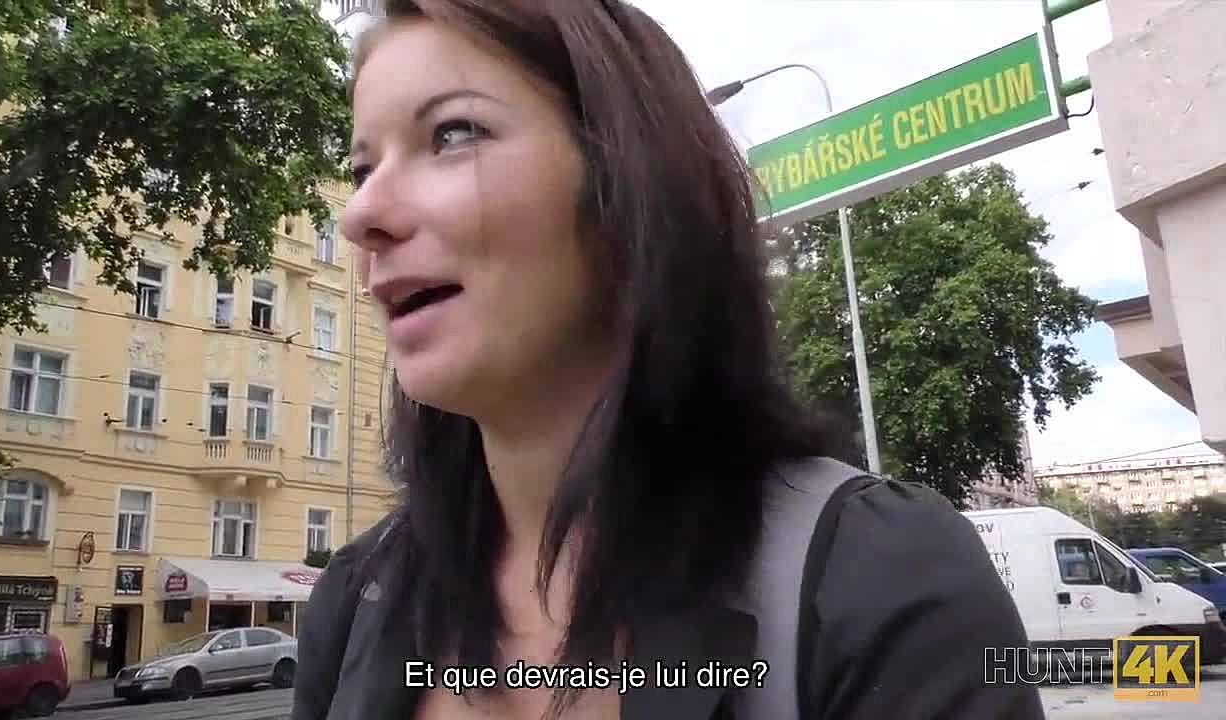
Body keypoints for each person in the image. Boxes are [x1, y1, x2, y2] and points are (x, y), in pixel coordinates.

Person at [293, 1, 1045, 719]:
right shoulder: (355, 600)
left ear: (626, 184)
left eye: (453, 134)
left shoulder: (881, 582)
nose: (361, 215)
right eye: (362, 169)